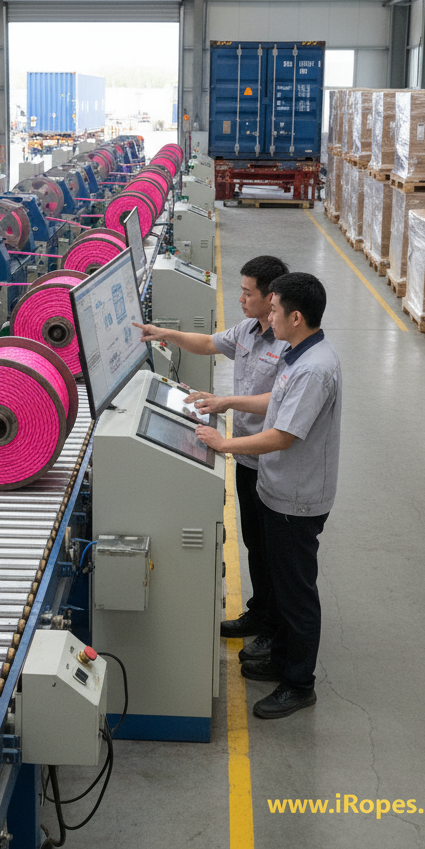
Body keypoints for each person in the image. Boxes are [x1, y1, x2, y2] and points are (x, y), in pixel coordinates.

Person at [194, 273, 341, 719]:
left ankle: (299, 684)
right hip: (279, 490)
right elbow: (272, 402)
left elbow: (281, 436)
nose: (267, 316)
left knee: (297, 595)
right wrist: (227, 403)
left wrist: (224, 445)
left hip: (297, 498)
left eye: (274, 310)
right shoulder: (297, 356)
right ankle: (280, 658)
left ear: (296, 317)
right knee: (278, 582)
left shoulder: (315, 369)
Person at [134, 255, 290, 659]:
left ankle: (276, 629)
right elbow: (208, 343)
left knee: (278, 553)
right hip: (247, 459)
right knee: (255, 543)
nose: (239, 298)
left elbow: (282, 400)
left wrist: (226, 401)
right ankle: (260, 613)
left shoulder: (290, 339)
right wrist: (160, 332)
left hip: (273, 460)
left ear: (271, 296)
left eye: (247, 292)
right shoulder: (249, 331)